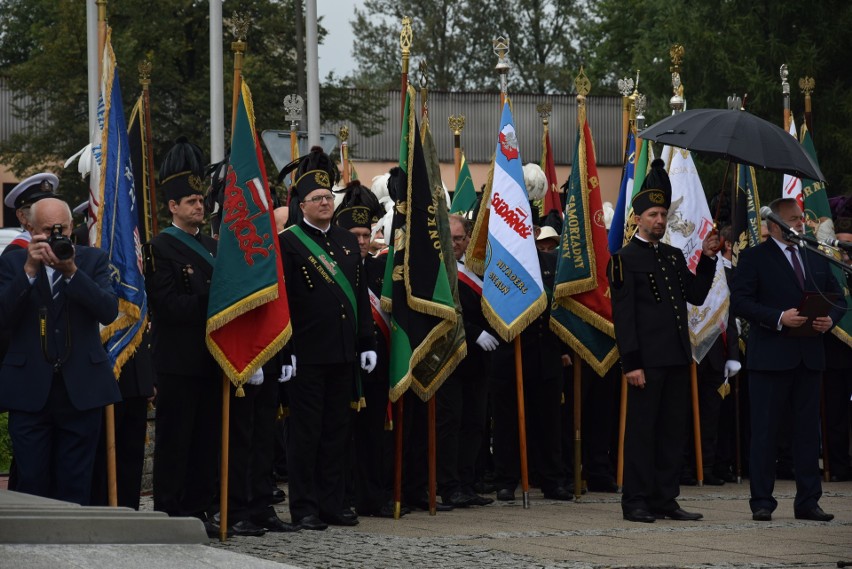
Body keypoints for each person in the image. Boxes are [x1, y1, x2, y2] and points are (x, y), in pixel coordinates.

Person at [607, 159, 718, 523]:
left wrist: (708, 257)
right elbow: (624, 319)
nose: (659, 220)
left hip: (675, 357)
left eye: (663, 214)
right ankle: (635, 501)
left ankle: (665, 499)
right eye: (653, 213)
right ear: (638, 217)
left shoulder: (672, 257)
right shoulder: (623, 260)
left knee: (672, 431)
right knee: (642, 432)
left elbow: (697, 295)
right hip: (646, 362)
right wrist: (632, 363)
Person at [278, 148, 376, 530]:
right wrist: (287, 351)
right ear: (301, 205)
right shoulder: (290, 242)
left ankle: (332, 503)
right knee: (306, 434)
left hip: (342, 353)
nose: (324, 202)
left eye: (328, 197)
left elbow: (359, 295)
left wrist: (366, 342)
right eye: (317, 199)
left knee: (337, 431)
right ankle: (304, 507)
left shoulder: (347, 242)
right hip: (307, 353)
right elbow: (285, 302)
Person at [731, 197, 845, 522]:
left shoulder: (815, 257)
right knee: (765, 432)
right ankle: (762, 501)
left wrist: (829, 321)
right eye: (793, 219)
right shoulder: (754, 258)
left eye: (800, 218)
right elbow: (740, 302)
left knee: (808, 433)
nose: (799, 223)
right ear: (773, 225)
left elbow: (835, 298)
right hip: (770, 358)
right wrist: (779, 317)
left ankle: (808, 500)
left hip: (808, 357)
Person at [0, 197, 120, 505]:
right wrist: (29, 270)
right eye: (47, 229)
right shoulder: (12, 262)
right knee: (31, 480)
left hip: (81, 389)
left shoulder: (92, 260)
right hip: (29, 390)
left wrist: (71, 273)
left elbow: (108, 311)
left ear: (71, 227)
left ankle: (74, 547)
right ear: (30, 227)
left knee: (75, 481)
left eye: (62, 229)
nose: (56, 236)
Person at [144, 140, 230, 535]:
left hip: (213, 358)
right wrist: (213, 300)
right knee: (175, 441)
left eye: (201, 199)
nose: (200, 206)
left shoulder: (214, 246)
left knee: (206, 441)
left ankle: (201, 508)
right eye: (191, 201)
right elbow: (169, 306)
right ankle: (170, 510)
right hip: (178, 361)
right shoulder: (159, 248)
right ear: (172, 206)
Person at [333, 181, 397, 518]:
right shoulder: (331, 267)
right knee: (341, 435)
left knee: (373, 434)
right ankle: (342, 496)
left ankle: (373, 496)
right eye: (354, 235)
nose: (360, 241)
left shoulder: (379, 269)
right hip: (342, 362)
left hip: (376, 365)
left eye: (364, 234)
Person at [2, 173, 58, 254]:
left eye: (53, 205)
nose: (50, 210)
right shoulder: (14, 253)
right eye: (41, 207)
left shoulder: (62, 244)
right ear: (22, 216)